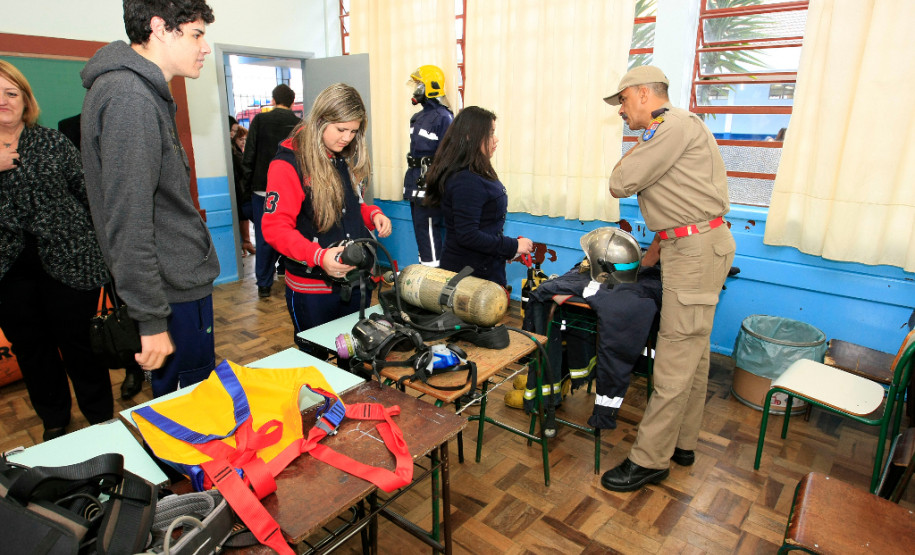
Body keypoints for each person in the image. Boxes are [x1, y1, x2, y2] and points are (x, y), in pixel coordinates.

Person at [602, 65, 736, 491]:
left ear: (643, 94)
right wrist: (654, 252)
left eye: (622, 100)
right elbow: (677, 201)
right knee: (693, 351)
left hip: (695, 251)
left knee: (675, 355)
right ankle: (682, 442)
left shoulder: (670, 126)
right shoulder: (675, 128)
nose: (621, 110)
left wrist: (632, 156)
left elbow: (621, 182)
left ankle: (649, 459)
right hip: (693, 245)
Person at [80, 0, 220, 398]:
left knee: (190, 406)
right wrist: (151, 319)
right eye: (196, 34)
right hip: (169, 293)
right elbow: (129, 221)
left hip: (172, 283)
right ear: (160, 28)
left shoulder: (136, 91)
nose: (204, 47)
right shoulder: (130, 98)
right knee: (188, 414)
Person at [0, 60, 113, 440]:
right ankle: (54, 421)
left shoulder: (52, 141)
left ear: (25, 99)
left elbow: (86, 195)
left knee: (81, 345)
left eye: (11, 93)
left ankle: (99, 417)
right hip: (8, 271)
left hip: (70, 261)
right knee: (32, 350)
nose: (4, 101)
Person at [261, 83, 392, 340]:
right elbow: (275, 229)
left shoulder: (339, 156)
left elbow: (350, 207)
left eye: (353, 131)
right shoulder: (288, 164)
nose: (346, 137)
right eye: (341, 129)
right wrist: (318, 256)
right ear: (320, 120)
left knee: (357, 357)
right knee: (319, 361)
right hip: (313, 290)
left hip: (355, 283)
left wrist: (373, 214)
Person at [423, 106, 533, 287]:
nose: (496, 139)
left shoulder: (474, 172)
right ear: (470, 136)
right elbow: (468, 235)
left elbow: (484, 227)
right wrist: (512, 246)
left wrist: (506, 251)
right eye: (490, 133)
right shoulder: (466, 179)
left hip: (482, 269)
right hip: (469, 277)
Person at [241, 84, 301, 298]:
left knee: (265, 236)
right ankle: (287, 272)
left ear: (273, 100)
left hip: (262, 189)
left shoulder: (260, 121)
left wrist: (246, 187)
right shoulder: (299, 125)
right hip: (291, 189)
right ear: (292, 102)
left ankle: (264, 284)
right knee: (291, 231)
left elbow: (249, 155)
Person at [403, 65, 453, 267]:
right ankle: (425, 271)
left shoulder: (444, 117)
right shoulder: (418, 118)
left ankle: (433, 278)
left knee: (430, 229)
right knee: (422, 230)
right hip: (415, 180)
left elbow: (449, 156)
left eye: (418, 84)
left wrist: (440, 185)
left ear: (428, 87)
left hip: (431, 182)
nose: (415, 89)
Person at [231, 124, 255, 257]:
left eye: (245, 140)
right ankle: (246, 243)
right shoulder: (236, 154)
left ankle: (246, 243)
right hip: (241, 193)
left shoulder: (237, 152)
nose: (243, 142)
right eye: (241, 139)